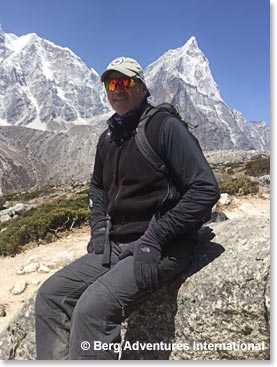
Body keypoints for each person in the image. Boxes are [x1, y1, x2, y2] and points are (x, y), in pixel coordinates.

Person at [35, 57, 220, 360]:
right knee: (51, 296)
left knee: (92, 310)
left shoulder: (164, 126)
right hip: (118, 244)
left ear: (142, 87)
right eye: (111, 83)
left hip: (163, 245)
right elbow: (97, 187)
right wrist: (98, 226)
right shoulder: (109, 138)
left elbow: (205, 189)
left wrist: (156, 237)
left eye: (125, 82)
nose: (117, 90)